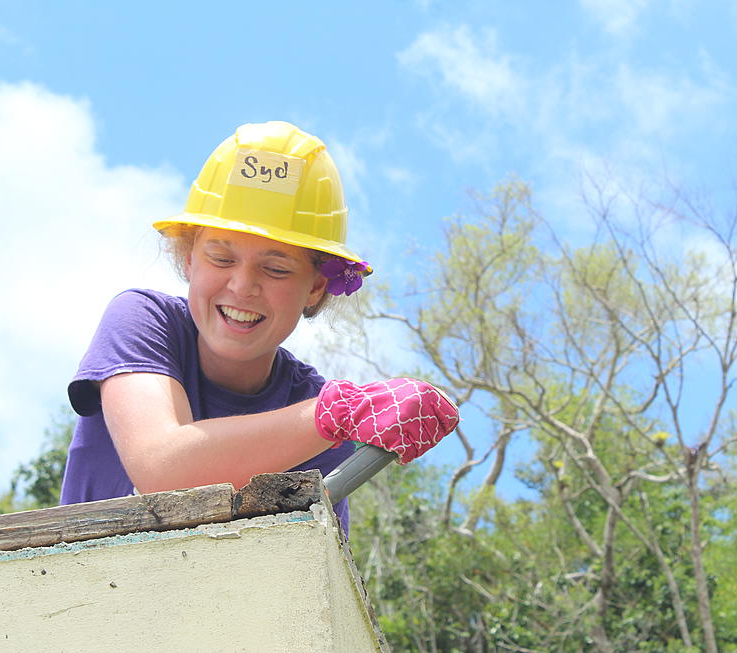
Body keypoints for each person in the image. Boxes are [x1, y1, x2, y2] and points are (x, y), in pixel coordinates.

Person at [60, 121, 459, 533]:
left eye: (275, 268)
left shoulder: (314, 422)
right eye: (221, 258)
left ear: (316, 287)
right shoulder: (144, 321)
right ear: (188, 259)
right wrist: (334, 416)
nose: (242, 286)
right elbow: (162, 469)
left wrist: (328, 420)